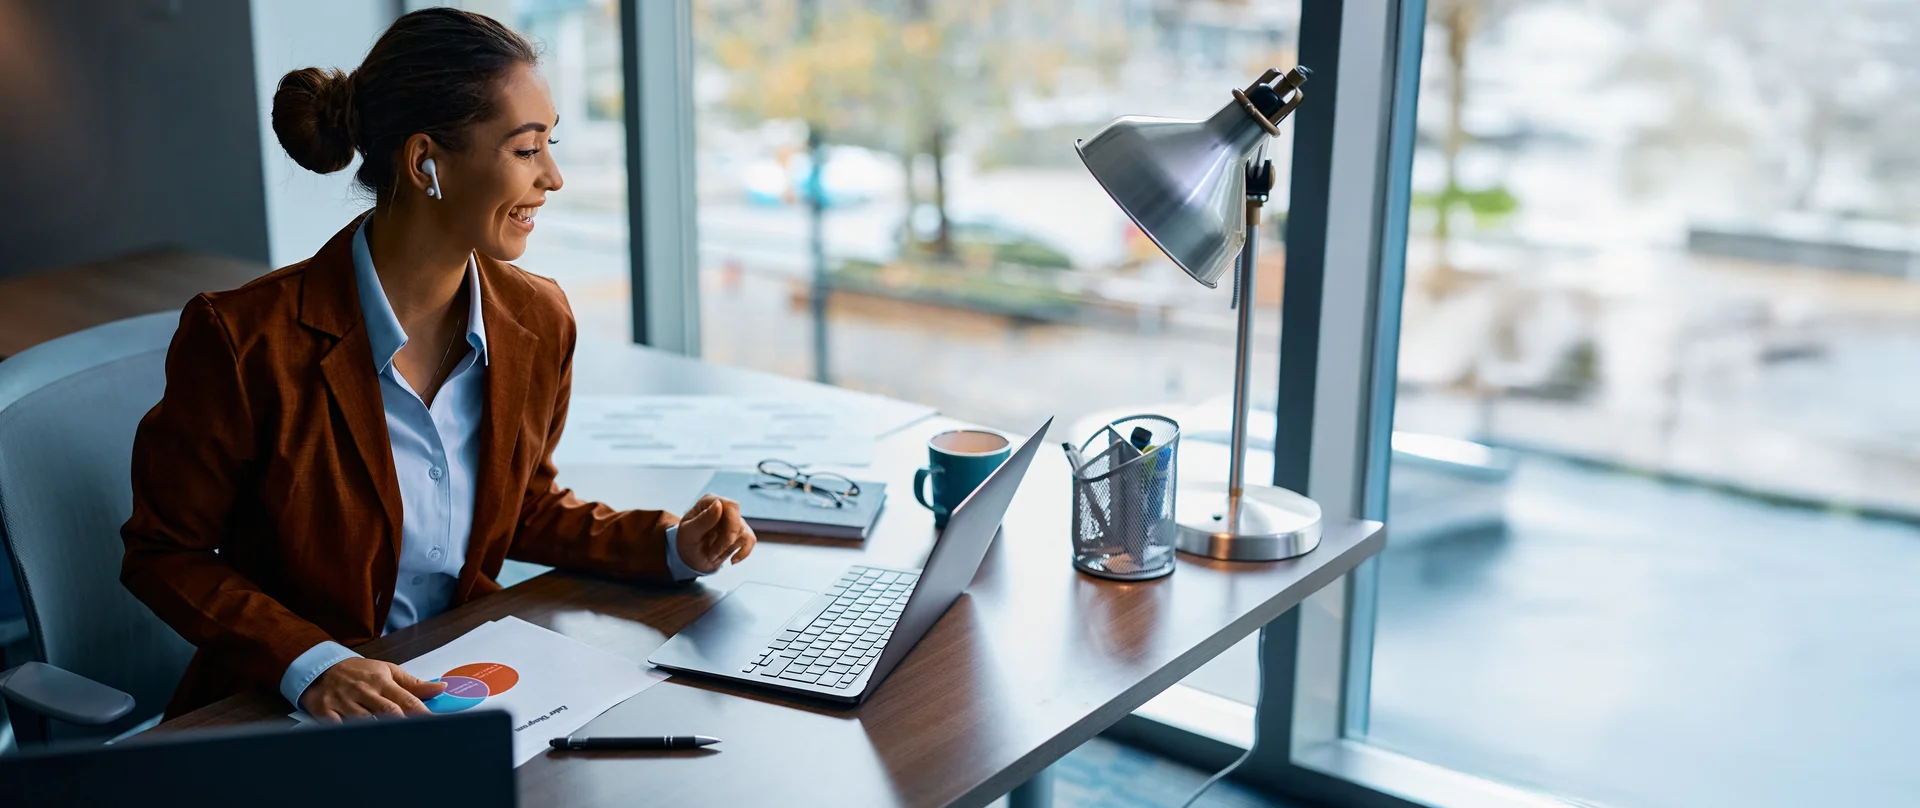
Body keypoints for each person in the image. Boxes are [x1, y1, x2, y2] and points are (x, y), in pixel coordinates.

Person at [119, 8, 755, 723]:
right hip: (282, 712)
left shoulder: (538, 321)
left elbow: (522, 508)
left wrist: (670, 546)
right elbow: (162, 553)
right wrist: (315, 665)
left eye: (552, 144)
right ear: (426, 162)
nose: (554, 176)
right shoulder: (245, 339)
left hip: (461, 680)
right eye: (526, 149)